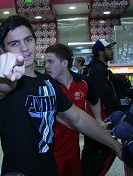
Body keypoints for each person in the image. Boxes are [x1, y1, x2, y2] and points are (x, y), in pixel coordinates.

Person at [0, 15, 123, 175]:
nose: (24, 48)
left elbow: (78, 118)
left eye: (28, 39)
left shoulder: (48, 83)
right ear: (3, 50)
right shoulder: (7, 81)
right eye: (14, 43)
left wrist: (117, 147)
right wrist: (0, 78)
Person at [44, 44, 105, 176]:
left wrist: (98, 119)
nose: (46, 66)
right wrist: (87, 127)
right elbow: (61, 117)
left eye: (50, 62)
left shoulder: (83, 82)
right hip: (50, 152)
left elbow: (94, 98)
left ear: (64, 63)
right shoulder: (46, 86)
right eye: (45, 62)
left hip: (73, 152)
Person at [82, 38, 124, 175]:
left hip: (94, 118)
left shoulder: (95, 68)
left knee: (93, 152)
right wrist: (121, 109)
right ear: (100, 52)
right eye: (109, 49)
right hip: (101, 118)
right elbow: (105, 95)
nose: (112, 51)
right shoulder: (98, 69)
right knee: (104, 152)